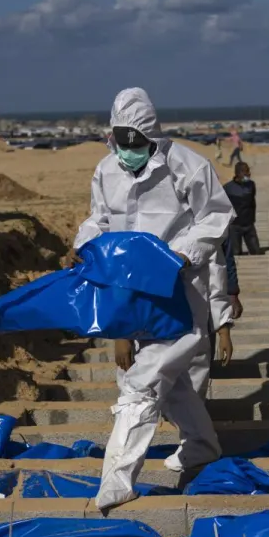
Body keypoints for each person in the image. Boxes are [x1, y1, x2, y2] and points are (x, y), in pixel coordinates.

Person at [74, 88, 233, 511]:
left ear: (151, 135)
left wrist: (185, 253)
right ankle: (201, 445)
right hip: (133, 293)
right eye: (120, 141)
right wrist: (84, 245)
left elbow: (216, 217)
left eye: (135, 142)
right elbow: (99, 220)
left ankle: (117, 479)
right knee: (176, 385)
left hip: (180, 293)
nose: (128, 151)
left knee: (140, 384)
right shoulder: (106, 172)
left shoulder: (188, 166)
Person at [223, 161, 260, 256]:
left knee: (256, 252)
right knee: (236, 253)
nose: (248, 173)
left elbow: (252, 201)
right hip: (235, 226)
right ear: (238, 173)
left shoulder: (251, 185)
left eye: (248, 170)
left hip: (249, 225)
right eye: (245, 171)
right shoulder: (227, 188)